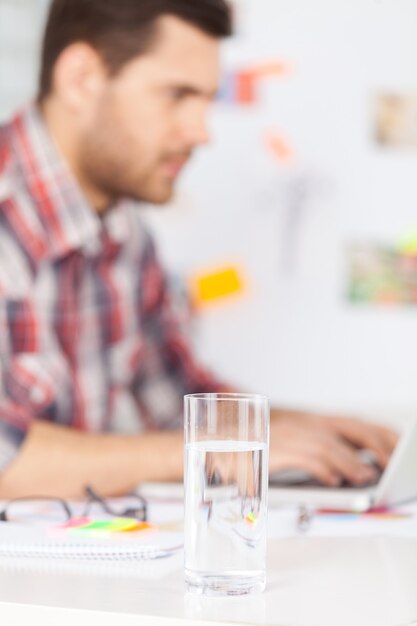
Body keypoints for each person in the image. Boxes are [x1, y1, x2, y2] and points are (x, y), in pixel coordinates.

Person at [0, 0, 397, 499]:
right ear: (80, 78)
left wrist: (310, 432)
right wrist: (212, 447)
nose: (202, 132)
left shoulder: (126, 236)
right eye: (177, 94)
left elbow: (178, 401)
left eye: (207, 100)